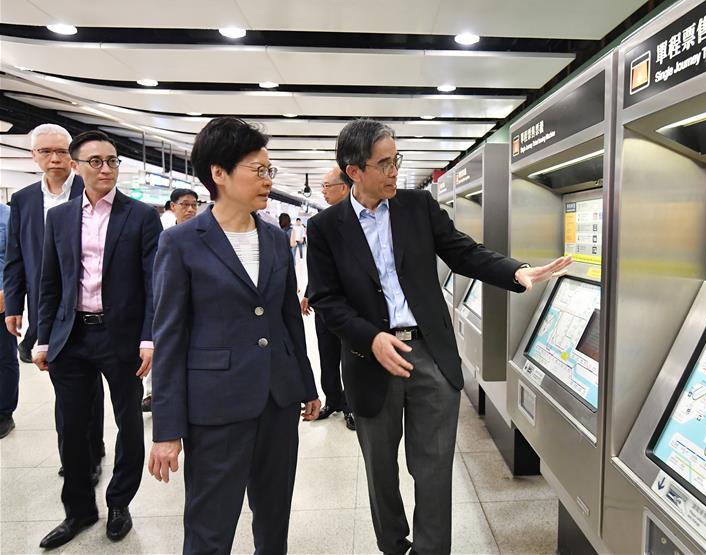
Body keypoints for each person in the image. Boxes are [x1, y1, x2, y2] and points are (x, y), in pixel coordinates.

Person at [307, 119, 571, 554]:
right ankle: (393, 545)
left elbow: (463, 252)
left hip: (429, 352)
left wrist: (516, 271)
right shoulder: (325, 228)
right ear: (354, 171)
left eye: (397, 160)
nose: (395, 171)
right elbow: (326, 299)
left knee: (433, 468)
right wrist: (371, 338)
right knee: (380, 469)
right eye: (384, 164)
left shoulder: (417, 207)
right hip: (371, 359)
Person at [148, 117, 320, 554]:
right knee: (210, 524)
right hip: (216, 405)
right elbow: (170, 338)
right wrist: (167, 430)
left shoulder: (275, 239)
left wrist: (306, 384)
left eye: (269, 170)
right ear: (219, 173)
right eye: (257, 170)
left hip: (278, 399)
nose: (267, 180)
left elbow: (287, 319)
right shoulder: (182, 242)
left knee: (274, 516)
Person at [35, 130, 162, 549]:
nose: (105, 168)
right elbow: (50, 282)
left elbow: (153, 283)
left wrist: (149, 337)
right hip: (71, 336)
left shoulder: (140, 216)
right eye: (95, 162)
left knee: (129, 421)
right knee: (72, 427)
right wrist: (43, 339)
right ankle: (78, 510)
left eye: (112, 161)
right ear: (76, 167)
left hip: (120, 336)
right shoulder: (60, 218)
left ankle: (119, 502)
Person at [3, 124, 105, 475]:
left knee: (88, 383)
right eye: (46, 152)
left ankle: (89, 454)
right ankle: (77, 454)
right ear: (34, 156)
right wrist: (14, 304)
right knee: (66, 386)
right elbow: (16, 255)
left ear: (73, 157)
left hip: (89, 304)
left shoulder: (92, 191)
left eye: (62, 151)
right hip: (48, 306)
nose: (55, 159)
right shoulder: (24, 199)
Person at [301, 165, 354, 430]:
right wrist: (309, 292)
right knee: (327, 353)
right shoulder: (320, 223)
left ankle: (352, 406)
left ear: (343, 187)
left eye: (326, 186)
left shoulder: (357, 220)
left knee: (350, 357)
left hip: (351, 305)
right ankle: (333, 399)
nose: (322, 191)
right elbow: (319, 265)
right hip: (324, 303)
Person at [141, 188, 200, 413]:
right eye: (185, 204)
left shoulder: (203, 234)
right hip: (166, 300)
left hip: (194, 303)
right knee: (162, 346)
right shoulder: (163, 234)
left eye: (194, 205)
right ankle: (152, 393)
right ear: (173, 206)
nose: (190, 209)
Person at [0, 202, 19, 439]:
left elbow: (13, 258)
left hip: (1, 298)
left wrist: (7, 292)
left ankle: (4, 412)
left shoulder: (7, 216)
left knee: (4, 355)